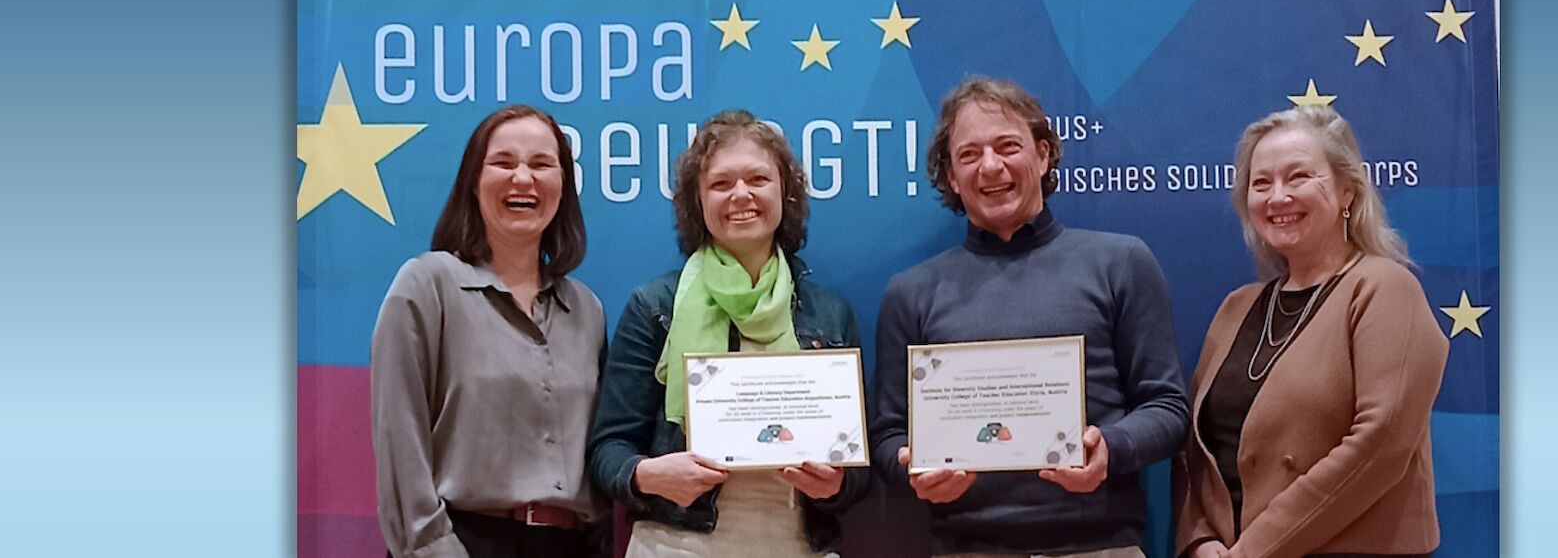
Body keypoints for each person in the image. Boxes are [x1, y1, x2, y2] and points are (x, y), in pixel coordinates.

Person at [870, 77, 1190, 556]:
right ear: (952, 177)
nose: (990, 166)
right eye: (969, 154)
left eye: (1007, 146)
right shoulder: (911, 293)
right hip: (967, 548)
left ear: (1043, 155)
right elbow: (887, 435)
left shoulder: (1121, 263)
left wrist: (1111, 447)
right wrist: (910, 467)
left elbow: (1167, 407)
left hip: (1099, 546)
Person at [586, 110, 868, 557]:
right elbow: (608, 450)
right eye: (720, 184)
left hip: (798, 546)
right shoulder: (655, 307)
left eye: (758, 179)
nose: (741, 195)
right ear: (697, 202)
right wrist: (649, 475)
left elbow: (857, 472)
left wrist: (836, 485)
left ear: (785, 193)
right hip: (673, 547)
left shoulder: (831, 314)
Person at [1175, 106, 1449, 558]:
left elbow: (1381, 444)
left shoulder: (1385, 288)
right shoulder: (1236, 308)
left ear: (1347, 191)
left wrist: (1254, 550)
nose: (1278, 197)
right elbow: (1194, 450)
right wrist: (1199, 539)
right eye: (1261, 183)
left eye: (1298, 177)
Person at [372, 105, 608, 558]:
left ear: (564, 186)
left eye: (541, 164)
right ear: (473, 182)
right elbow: (400, 444)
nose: (523, 178)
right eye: (503, 162)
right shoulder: (427, 286)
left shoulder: (586, 309)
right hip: (463, 542)